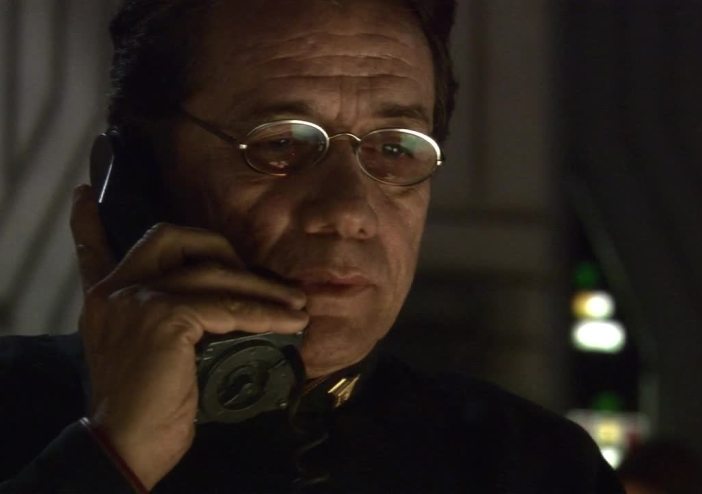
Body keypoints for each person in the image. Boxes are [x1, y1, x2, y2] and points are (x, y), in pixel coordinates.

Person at [0, 0, 624, 492]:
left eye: (394, 147)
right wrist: (109, 457)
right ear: (137, 177)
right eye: (280, 144)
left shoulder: (534, 464)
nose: (348, 213)